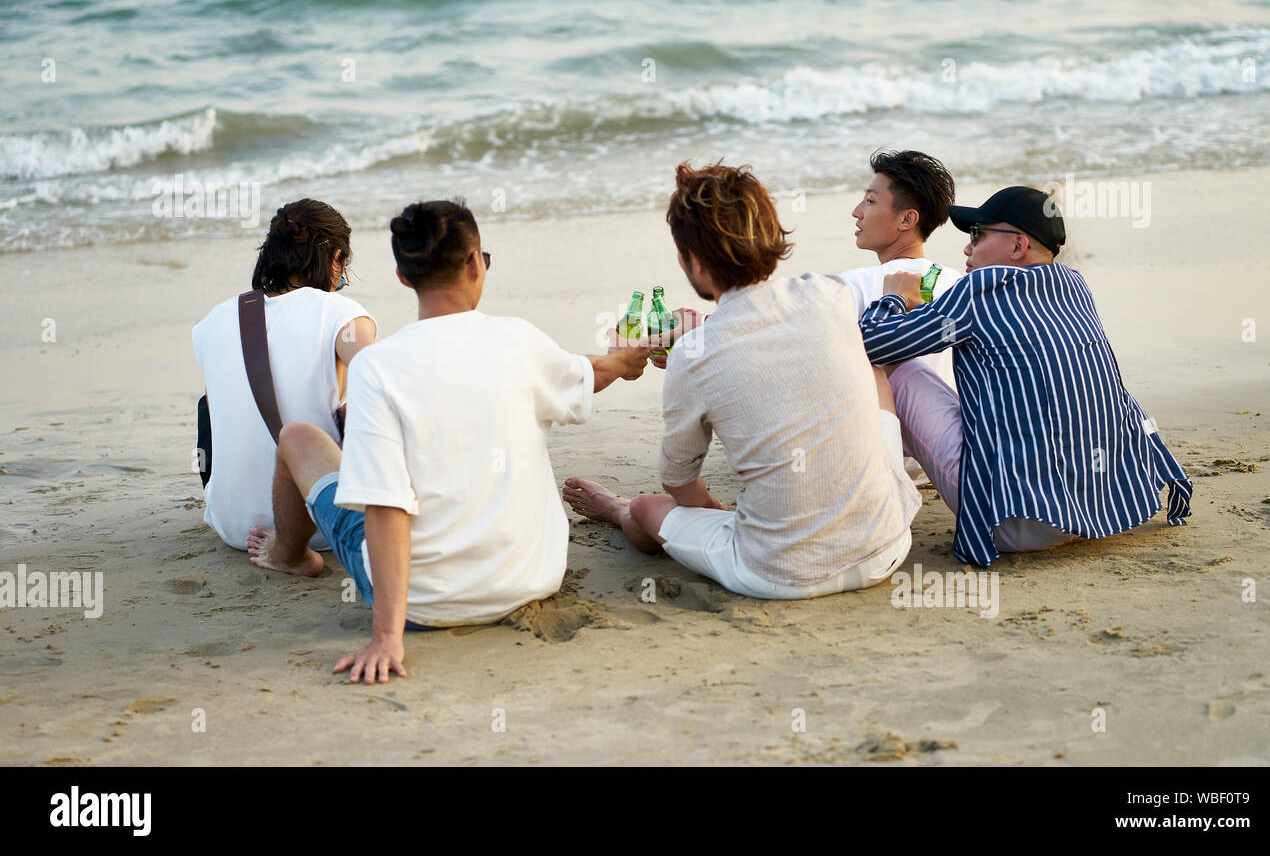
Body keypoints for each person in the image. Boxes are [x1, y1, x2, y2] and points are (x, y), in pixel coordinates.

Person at [246, 199, 651, 684]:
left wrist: (387, 637)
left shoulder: (379, 369)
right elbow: (594, 372)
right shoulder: (521, 342)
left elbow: (386, 507)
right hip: (528, 582)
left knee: (298, 439)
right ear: (475, 262)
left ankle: (287, 557)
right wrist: (626, 361)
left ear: (402, 276)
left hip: (425, 606)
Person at [564, 162, 919, 600]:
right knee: (873, 369)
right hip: (887, 546)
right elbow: (770, 326)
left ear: (690, 260)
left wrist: (719, 518)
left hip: (781, 574)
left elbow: (679, 483)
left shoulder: (692, 358)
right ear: (774, 236)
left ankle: (620, 513)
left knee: (646, 507)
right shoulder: (831, 295)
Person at [858, 185, 1192, 567]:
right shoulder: (1074, 286)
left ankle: (867, 500)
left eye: (978, 235)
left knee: (902, 370)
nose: (967, 248)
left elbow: (873, 344)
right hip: (1105, 505)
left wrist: (894, 298)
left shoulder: (978, 292)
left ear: (1017, 247)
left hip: (1017, 523)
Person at [192, 199, 376, 551]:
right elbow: (382, 382)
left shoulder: (214, 320)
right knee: (365, 396)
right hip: (319, 526)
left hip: (231, 526)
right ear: (335, 258)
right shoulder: (339, 311)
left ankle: (238, 499)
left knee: (211, 402)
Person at [840, 149, 962, 481]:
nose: (856, 212)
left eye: (869, 201)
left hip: (886, 461)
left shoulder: (855, 285)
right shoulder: (963, 286)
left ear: (907, 220)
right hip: (947, 453)